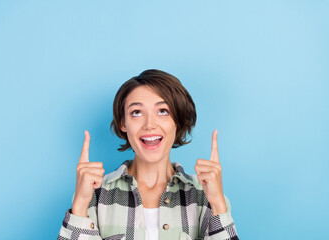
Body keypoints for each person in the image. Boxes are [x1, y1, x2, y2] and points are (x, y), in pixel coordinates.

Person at [57, 69, 239, 240]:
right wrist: (80, 204)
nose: (149, 124)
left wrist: (218, 204)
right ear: (123, 123)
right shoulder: (94, 195)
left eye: (163, 111)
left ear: (178, 120)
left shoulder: (204, 194)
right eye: (136, 112)